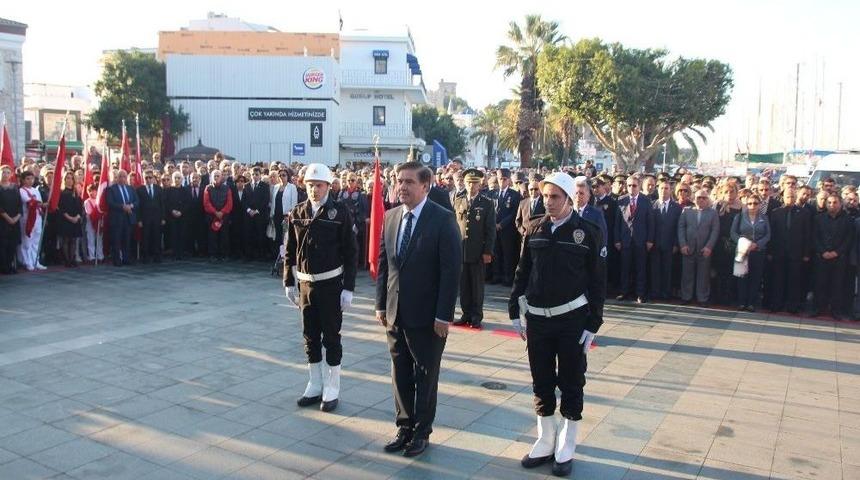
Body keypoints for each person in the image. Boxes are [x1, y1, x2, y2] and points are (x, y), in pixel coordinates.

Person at [509, 172, 605, 477]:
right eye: (544, 196)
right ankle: (546, 438)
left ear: (568, 198)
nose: (548, 202)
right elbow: (522, 270)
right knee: (541, 380)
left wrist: (594, 322)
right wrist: (514, 306)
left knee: (572, 380)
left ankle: (567, 442)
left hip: (572, 320)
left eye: (555, 197)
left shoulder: (586, 232)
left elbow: (598, 281)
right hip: (537, 319)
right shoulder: (535, 228)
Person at [376, 161, 461, 458]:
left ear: (426, 186)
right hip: (395, 312)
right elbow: (386, 265)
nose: (402, 186)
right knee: (400, 372)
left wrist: (443, 315)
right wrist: (380, 305)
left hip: (428, 317)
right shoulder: (390, 217)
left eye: (409, 182)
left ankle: (422, 432)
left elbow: (451, 272)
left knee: (426, 374)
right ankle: (404, 426)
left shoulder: (443, 220)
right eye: (399, 181)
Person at [284, 163, 357, 413]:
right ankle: (315, 383)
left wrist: (348, 288)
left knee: (331, 337)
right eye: (310, 185)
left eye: (319, 185)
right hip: (305, 285)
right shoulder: (297, 212)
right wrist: (288, 282)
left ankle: (332, 387)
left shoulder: (340, 213)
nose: (314, 190)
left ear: (329, 186)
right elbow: (290, 251)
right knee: (310, 336)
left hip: (330, 285)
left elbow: (350, 252)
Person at [452, 168, 496, 329]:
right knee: (464, 285)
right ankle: (466, 313)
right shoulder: (459, 200)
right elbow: (454, 225)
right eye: (469, 182)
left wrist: (488, 251)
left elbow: (490, 230)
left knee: (477, 285)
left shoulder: (486, 203)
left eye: (474, 183)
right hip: (461, 249)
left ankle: (476, 316)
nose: (471, 186)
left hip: (478, 251)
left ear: (480, 184)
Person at [766, 187, 811, 313]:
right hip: (778, 252)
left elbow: (807, 234)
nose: (790, 199)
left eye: (792, 197)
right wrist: (770, 251)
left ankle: (792, 306)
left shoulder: (804, 213)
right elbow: (772, 234)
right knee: (778, 279)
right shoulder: (775, 212)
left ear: (796, 197)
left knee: (794, 280)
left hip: (796, 253)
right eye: (787, 196)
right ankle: (777, 304)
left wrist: (806, 253)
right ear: (783, 197)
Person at [811, 194, 854, 319]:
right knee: (820, 283)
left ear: (840, 204)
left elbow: (848, 239)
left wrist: (837, 252)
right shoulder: (818, 218)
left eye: (835, 202)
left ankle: (836, 310)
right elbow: (814, 237)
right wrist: (822, 251)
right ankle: (818, 308)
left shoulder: (848, 220)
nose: (832, 205)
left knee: (837, 285)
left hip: (839, 258)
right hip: (821, 257)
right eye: (829, 202)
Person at [615, 176, 654, 303]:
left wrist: (649, 240)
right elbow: (617, 223)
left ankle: (640, 293)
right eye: (629, 185)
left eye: (634, 185)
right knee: (625, 268)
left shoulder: (646, 200)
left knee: (640, 268)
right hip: (625, 240)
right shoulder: (621, 200)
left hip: (641, 240)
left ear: (639, 186)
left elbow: (650, 222)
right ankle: (624, 292)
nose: (632, 188)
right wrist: (617, 240)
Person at [677, 189, 720, 306]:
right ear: (693, 199)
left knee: (704, 275)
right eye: (698, 197)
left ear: (708, 199)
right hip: (688, 248)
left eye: (704, 198)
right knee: (686, 274)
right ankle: (686, 296)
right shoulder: (686, 211)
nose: (701, 200)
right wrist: (683, 244)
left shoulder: (713, 213)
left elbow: (715, 231)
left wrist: (709, 247)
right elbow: (681, 228)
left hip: (704, 249)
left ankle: (702, 298)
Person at [731, 194, 771, 312]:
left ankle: (751, 303)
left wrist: (757, 244)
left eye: (755, 203)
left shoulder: (764, 218)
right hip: (742, 251)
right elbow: (733, 233)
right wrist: (743, 243)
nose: (752, 206)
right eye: (749, 203)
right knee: (742, 276)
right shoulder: (739, 217)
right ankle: (742, 302)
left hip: (758, 251)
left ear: (759, 205)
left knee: (755, 277)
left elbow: (768, 234)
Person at [650, 179, 682, 300]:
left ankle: (665, 293)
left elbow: (678, 227)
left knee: (667, 270)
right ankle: (655, 292)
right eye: (661, 188)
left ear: (671, 190)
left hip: (669, 244)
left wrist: (676, 244)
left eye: (666, 188)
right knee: (655, 269)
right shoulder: (652, 205)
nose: (664, 191)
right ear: (658, 190)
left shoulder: (677, 208)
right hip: (654, 243)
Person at [493, 168, 522, 286]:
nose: (502, 181)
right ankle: (496, 276)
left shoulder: (514, 195)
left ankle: (507, 277)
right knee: (495, 253)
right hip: (494, 228)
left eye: (504, 179)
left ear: (509, 180)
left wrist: (501, 224)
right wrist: (493, 224)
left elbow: (514, 213)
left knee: (507, 254)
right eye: (500, 179)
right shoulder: (492, 193)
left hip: (507, 230)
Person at [106, 170, 139, 267]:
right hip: (117, 219)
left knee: (127, 239)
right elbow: (110, 203)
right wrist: (122, 207)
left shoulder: (131, 189)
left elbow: (137, 201)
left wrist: (131, 206)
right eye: (120, 176)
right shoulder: (111, 189)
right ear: (117, 178)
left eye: (124, 177)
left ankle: (126, 258)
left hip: (128, 218)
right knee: (117, 239)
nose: (122, 179)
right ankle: (117, 260)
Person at [203, 169, 233, 262]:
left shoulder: (227, 188)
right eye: (214, 176)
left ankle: (224, 255)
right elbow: (206, 203)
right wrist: (215, 212)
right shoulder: (208, 188)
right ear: (211, 177)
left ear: (221, 177)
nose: (216, 177)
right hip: (212, 217)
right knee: (212, 237)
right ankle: (213, 255)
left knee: (224, 236)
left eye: (218, 176)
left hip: (224, 217)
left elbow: (229, 203)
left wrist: (222, 212)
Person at [137, 170, 165, 264]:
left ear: (153, 178)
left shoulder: (159, 189)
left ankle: (157, 255)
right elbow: (138, 206)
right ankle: (145, 256)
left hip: (157, 218)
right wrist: (139, 219)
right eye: (146, 178)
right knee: (145, 238)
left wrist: (163, 218)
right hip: (145, 218)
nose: (148, 180)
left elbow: (162, 204)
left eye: (150, 177)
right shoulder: (140, 189)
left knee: (157, 237)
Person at [57, 172, 84, 268]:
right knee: (65, 240)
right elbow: (61, 208)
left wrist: (77, 217)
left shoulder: (75, 193)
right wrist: (69, 218)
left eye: (71, 178)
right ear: (64, 180)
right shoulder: (62, 193)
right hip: (66, 219)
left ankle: (72, 259)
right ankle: (67, 260)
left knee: (73, 240)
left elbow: (80, 207)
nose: (69, 180)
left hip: (75, 219)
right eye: (67, 178)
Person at [0, 166, 23, 274]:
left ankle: (10, 265)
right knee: (2, 245)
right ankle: (3, 267)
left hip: (14, 220)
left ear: (11, 174)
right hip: (3, 221)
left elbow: (19, 204)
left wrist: (16, 217)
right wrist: (8, 218)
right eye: (3, 172)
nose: (5, 174)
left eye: (8, 172)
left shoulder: (15, 187)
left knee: (12, 244)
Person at [164, 172, 190, 261]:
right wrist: (172, 211)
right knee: (173, 235)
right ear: (172, 179)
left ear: (182, 179)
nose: (177, 179)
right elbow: (166, 203)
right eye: (175, 178)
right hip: (172, 216)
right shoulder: (168, 190)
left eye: (179, 178)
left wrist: (181, 212)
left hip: (183, 216)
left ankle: (181, 253)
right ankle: (174, 253)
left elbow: (188, 203)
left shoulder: (186, 190)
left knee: (182, 234)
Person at [246, 167, 271, 260]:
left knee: (260, 235)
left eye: (256, 174)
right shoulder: (247, 185)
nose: (254, 176)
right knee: (249, 235)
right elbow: (244, 200)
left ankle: (261, 254)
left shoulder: (264, 186)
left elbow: (266, 200)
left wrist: (257, 210)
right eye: (253, 174)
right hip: (249, 215)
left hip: (260, 214)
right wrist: (249, 210)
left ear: (260, 175)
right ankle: (250, 254)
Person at [83, 184, 104, 264]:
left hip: (99, 223)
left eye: (94, 191)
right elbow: (89, 213)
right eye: (90, 191)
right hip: (90, 223)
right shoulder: (87, 201)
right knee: (91, 240)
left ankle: (100, 256)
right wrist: (95, 216)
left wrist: (101, 219)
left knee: (99, 240)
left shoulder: (99, 201)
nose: (92, 192)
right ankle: (92, 257)